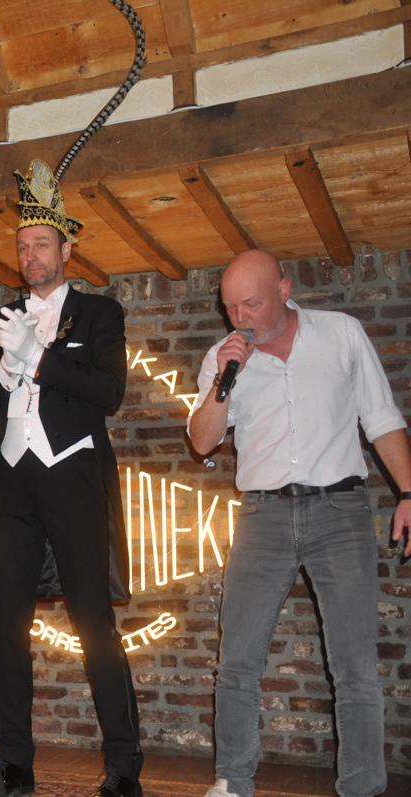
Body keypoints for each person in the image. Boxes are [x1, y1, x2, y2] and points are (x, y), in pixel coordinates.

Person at [188, 250, 411, 797]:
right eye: (230, 307)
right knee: (237, 660)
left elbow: (381, 418)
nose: (240, 317)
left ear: (284, 290)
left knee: (354, 665)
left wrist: (409, 492)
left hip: (340, 512)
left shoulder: (341, 334)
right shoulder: (223, 357)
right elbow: (202, 441)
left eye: (251, 303)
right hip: (262, 517)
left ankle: (361, 787)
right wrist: (222, 382)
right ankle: (233, 782)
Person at [0, 160, 141, 797]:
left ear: (67, 250)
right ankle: (15, 759)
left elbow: (108, 392)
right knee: (7, 624)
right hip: (12, 480)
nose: (30, 255)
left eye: (41, 244)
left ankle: (123, 764)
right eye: (22, 246)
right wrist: (5, 369)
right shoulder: (0, 318)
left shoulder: (99, 314)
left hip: (72, 477)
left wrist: (37, 357)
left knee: (93, 620)